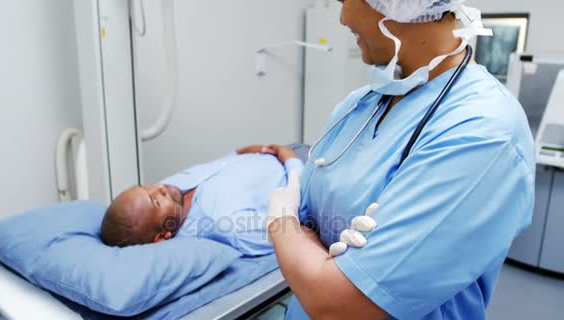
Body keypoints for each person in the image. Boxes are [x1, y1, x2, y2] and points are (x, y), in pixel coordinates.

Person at [266, 1, 535, 319]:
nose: (342, 18)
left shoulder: (484, 129)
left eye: (345, 0)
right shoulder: (358, 105)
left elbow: (338, 304)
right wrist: (311, 255)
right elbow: (309, 226)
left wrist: (282, 226)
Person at [100, 144, 304, 256]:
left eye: (145, 186)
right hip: (302, 171)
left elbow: (214, 170)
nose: (159, 187)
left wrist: (240, 153)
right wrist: (290, 159)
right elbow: (295, 221)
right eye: (156, 201)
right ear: (162, 236)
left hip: (273, 153)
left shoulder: (171, 190)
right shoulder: (228, 225)